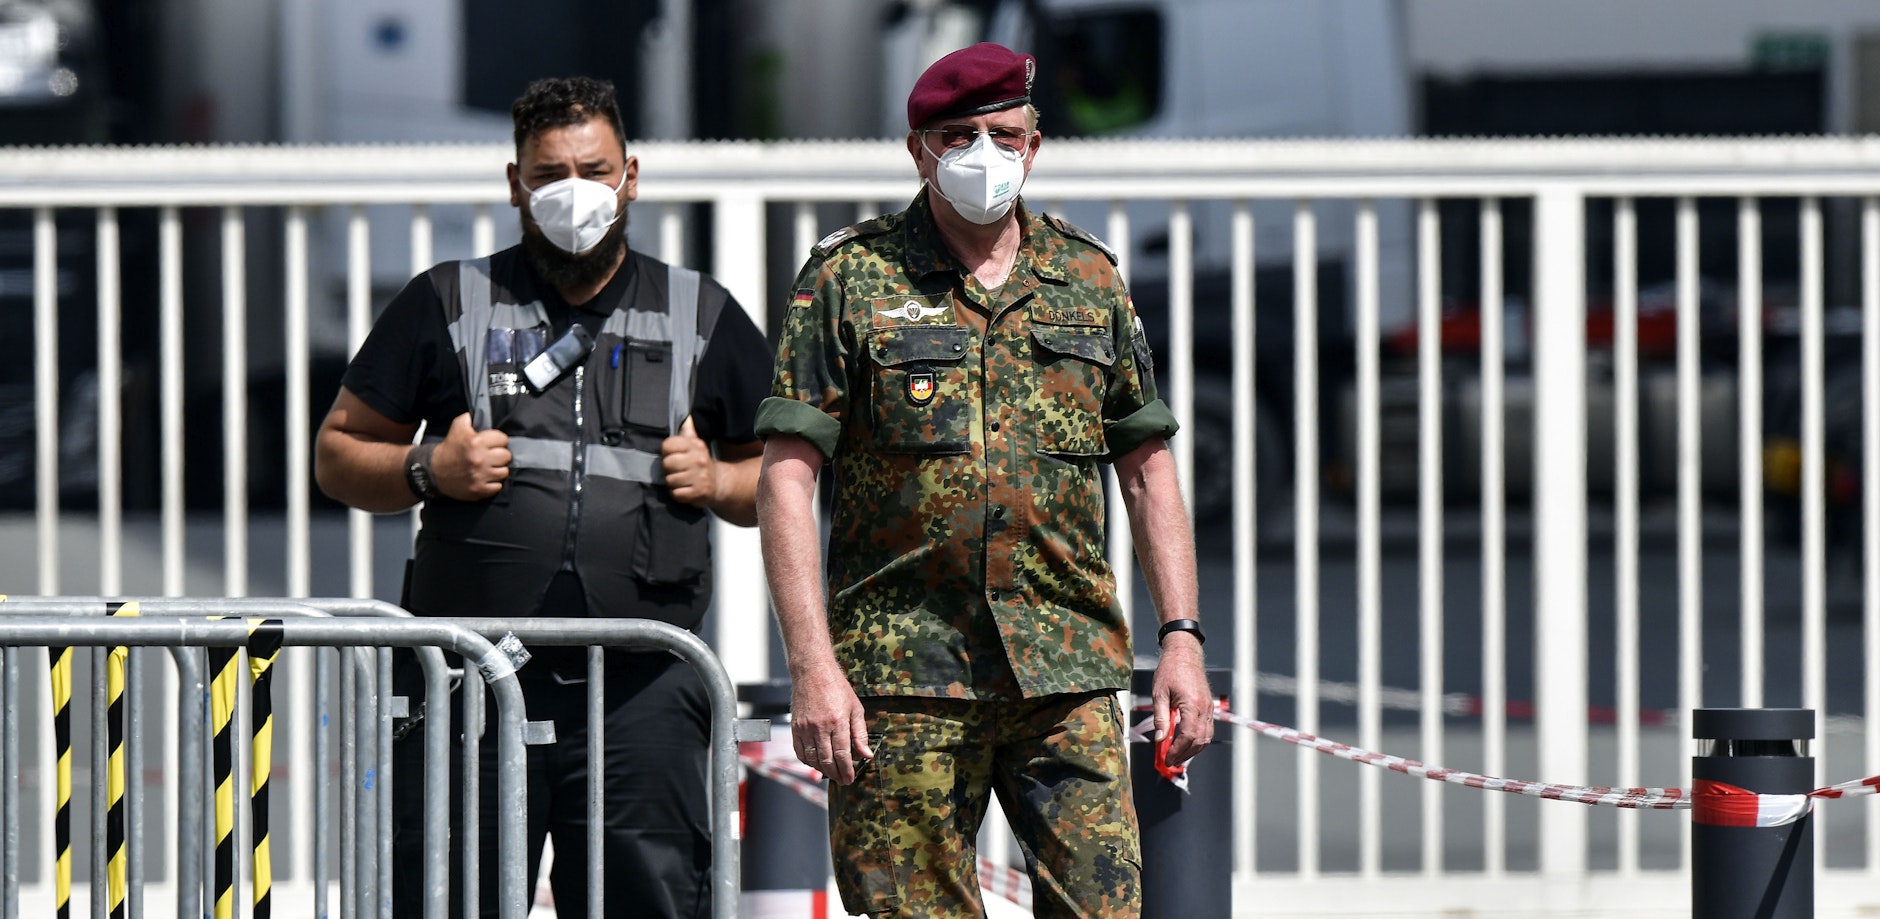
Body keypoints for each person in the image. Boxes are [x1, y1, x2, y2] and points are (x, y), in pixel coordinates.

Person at [753, 42, 1213, 919]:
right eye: (958, 135)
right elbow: (786, 479)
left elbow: (1148, 468)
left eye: (1005, 135)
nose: (984, 154)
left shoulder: (1087, 277)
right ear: (918, 150)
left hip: (1065, 669)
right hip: (902, 677)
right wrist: (813, 666)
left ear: (1034, 146)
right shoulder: (852, 277)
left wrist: (1182, 638)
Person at [314, 75, 771, 919]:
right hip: (474, 683)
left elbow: (777, 479)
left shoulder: (700, 312)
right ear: (515, 183)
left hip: (643, 693)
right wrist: (428, 468)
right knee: (450, 900)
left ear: (631, 177)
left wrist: (717, 479)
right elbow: (338, 454)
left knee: (656, 903)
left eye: (593, 171)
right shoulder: (447, 302)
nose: (574, 192)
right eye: (550, 174)